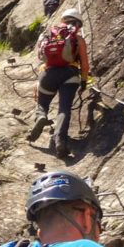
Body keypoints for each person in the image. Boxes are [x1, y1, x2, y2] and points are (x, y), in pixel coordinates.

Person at [28, 9, 89, 158]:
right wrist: (83, 81)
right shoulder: (78, 39)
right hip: (70, 75)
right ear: (77, 24)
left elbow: (41, 57)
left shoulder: (47, 35)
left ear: (63, 20)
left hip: (48, 74)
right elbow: (85, 65)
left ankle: (41, 116)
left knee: (42, 103)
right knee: (64, 108)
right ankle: (60, 141)